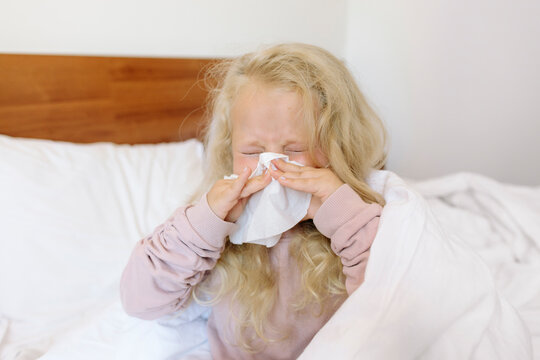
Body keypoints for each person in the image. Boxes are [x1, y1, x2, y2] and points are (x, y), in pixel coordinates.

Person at [120, 43, 388, 359]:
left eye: (294, 149)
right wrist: (205, 223)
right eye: (251, 152)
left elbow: (392, 304)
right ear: (228, 149)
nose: (272, 168)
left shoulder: (360, 222)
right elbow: (139, 301)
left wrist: (342, 213)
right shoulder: (216, 232)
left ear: (337, 146)